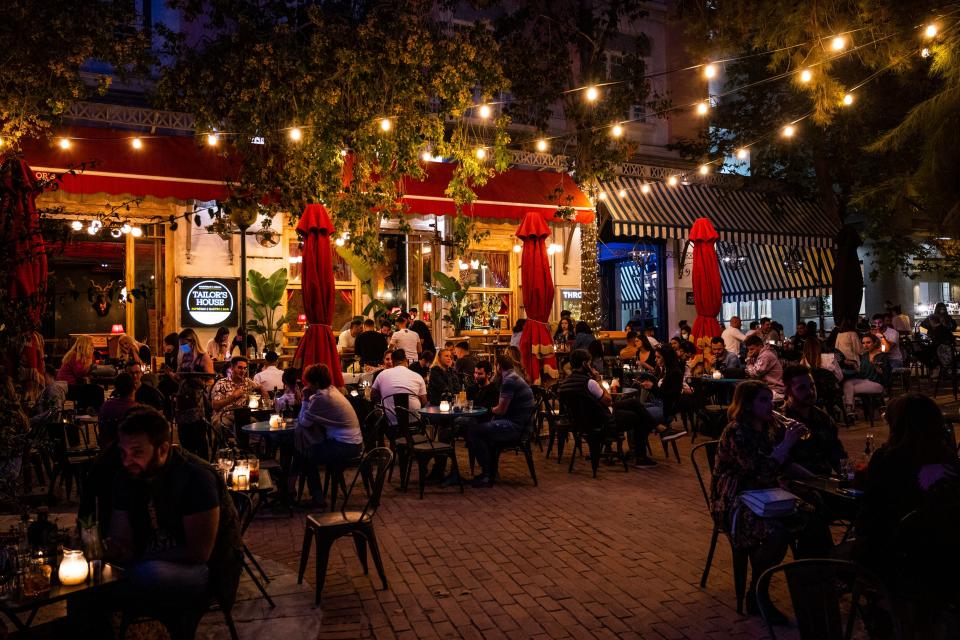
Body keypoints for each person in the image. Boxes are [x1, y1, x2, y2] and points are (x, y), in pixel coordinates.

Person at [105, 407, 242, 639]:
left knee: (144, 574)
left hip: (208, 571)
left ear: (163, 449)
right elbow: (121, 540)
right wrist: (105, 549)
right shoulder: (126, 478)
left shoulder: (195, 477)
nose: (128, 460)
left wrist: (138, 559)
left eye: (137, 452)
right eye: (123, 452)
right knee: (94, 586)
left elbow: (199, 552)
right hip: (150, 561)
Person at [710, 380, 830, 621]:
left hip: (766, 493)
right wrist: (786, 444)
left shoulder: (769, 426)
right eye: (762, 401)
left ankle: (815, 583)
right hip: (736, 498)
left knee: (812, 517)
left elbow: (784, 464)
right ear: (747, 404)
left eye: (770, 400)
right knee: (777, 534)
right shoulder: (737, 431)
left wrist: (819, 480)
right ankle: (758, 591)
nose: (769, 406)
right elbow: (761, 470)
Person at [855, 394, 960, 581]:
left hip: (901, 557)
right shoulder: (949, 458)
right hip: (946, 553)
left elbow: (871, 515)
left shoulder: (886, 459)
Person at [558, 349, 658, 468]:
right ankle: (641, 457)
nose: (591, 366)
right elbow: (608, 400)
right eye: (589, 363)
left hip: (581, 422)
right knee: (638, 417)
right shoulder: (590, 383)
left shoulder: (564, 384)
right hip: (601, 421)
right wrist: (598, 381)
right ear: (585, 364)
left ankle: (652, 432)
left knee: (633, 403)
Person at [296, 364, 364, 507]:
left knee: (306, 455)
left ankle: (317, 499)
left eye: (309, 382)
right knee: (305, 448)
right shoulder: (332, 390)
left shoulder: (321, 398)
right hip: (355, 443)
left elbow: (304, 422)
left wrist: (305, 399)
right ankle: (306, 491)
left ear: (316, 383)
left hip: (345, 446)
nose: (307, 385)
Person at [467, 355, 536, 487]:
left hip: (516, 427)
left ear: (498, 366)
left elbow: (501, 410)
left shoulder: (509, 381)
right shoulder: (514, 377)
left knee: (474, 431)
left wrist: (488, 410)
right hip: (522, 425)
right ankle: (490, 471)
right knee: (482, 430)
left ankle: (487, 475)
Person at [782, 365, 846, 476]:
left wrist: (849, 477)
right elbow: (782, 464)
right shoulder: (780, 421)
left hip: (824, 482)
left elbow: (838, 456)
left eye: (812, 386)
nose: (810, 392)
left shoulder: (824, 419)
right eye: (802, 388)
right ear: (788, 391)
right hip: (795, 485)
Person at [174, 328, 215, 459]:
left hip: (197, 403)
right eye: (181, 345)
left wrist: (198, 381)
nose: (183, 347)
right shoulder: (183, 358)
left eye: (184, 344)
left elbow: (210, 380)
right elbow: (180, 378)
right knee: (184, 436)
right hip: (183, 401)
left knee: (198, 437)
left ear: (192, 342)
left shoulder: (203, 357)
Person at [639, 346, 689, 437]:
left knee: (636, 416)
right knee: (634, 409)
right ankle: (657, 427)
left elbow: (668, 397)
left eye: (658, 357)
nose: (655, 360)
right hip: (658, 403)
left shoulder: (675, 373)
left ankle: (636, 449)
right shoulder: (666, 369)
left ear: (666, 357)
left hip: (666, 408)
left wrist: (652, 387)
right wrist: (650, 386)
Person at [371, 348, 427, 426]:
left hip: (391, 422)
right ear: (406, 361)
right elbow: (424, 402)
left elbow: (373, 396)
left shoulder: (382, 375)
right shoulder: (418, 376)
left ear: (393, 362)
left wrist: (385, 399)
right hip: (414, 420)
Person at [210, 356, 258, 441]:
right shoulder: (221, 383)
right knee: (221, 425)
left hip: (242, 416)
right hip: (223, 414)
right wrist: (233, 397)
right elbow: (215, 406)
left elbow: (258, 387)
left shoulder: (247, 382)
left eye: (245, 368)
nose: (243, 371)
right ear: (232, 368)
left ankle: (248, 449)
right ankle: (228, 450)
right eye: (239, 368)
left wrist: (262, 389)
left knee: (256, 424)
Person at [842, 333, 888, 414]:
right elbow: (861, 373)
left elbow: (884, 374)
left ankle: (849, 410)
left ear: (875, 343)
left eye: (868, 342)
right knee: (847, 383)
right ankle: (850, 408)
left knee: (849, 390)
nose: (865, 345)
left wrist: (876, 366)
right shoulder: (865, 356)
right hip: (865, 381)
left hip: (877, 383)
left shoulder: (882, 356)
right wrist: (854, 364)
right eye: (863, 343)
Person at [743, 334, 785, 400]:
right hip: (767, 388)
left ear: (760, 346)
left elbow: (755, 373)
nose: (750, 352)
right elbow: (749, 372)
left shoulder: (766, 355)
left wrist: (748, 360)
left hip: (775, 391)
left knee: (748, 398)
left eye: (752, 349)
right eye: (748, 350)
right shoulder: (759, 355)